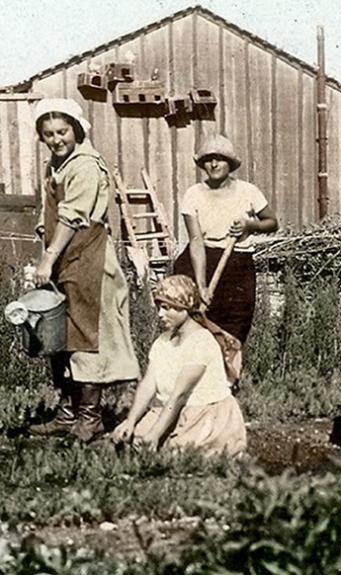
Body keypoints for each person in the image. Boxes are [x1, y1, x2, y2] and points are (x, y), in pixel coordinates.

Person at [28, 99, 140, 442]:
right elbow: (48, 214)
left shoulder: (86, 165)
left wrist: (48, 257)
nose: (56, 139)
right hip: (66, 259)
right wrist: (47, 252)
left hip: (90, 260)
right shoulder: (55, 165)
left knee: (86, 338)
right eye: (48, 134)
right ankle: (67, 414)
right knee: (59, 336)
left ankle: (90, 419)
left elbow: (71, 216)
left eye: (62, 132)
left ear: (76, 129)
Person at [111, 275, 247, 455]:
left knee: (179, 453)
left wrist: (156, 433)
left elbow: (180, 395)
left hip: (204, 414)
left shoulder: (202, 342)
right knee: (133, 440)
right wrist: (130, 421)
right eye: (159, 307)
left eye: (166, 308)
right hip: (172, 409)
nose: (160, 314)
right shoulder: (163, 341)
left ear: (184, 307)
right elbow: (148, 384)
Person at [173, 135, 278, 345]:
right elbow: (196, 241)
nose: (214, 164)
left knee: (234, 328)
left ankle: (228, 364)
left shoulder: (248, 191)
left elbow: (272, 222)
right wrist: (201, 285)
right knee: (194, 326)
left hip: (238, 263)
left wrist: (250, 226)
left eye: (220, 159)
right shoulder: (193, 194)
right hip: (201, 259)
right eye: (208, 159)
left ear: (230, 163)